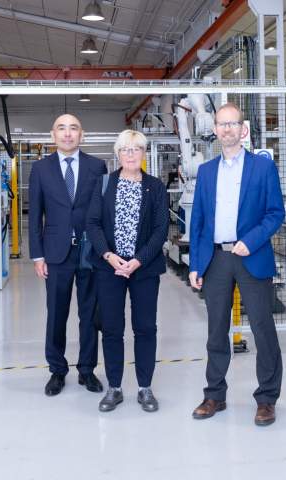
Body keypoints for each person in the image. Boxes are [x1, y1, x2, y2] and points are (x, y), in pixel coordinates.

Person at [187, 103, 285, 427]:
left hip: (251, 256)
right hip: (215, 259)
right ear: (215, 130)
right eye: (221, 124)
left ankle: (267, 398)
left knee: (262, 328)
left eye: (232, 123)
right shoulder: (206, 171)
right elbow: (198, 221)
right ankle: (214, 395)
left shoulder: (263, 167)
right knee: (216, 330)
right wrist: (196, 264)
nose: (227, 129)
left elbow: (275, 213)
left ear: (243, 129)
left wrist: (251, 240)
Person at [85, 130, 169, 413]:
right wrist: (109, 256)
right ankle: (115, 388)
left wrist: (139, 260)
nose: (130, 154)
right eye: (125, 149)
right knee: (111, 328)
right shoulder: (103, 184)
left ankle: (145, 388)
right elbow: (93, 223)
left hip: (144, 269)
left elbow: (160, 229)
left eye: (136, 149)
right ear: (118, 154)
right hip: (109, 269)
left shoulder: (155, 187)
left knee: (145, 328)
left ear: (144, 153)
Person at [28, 113, 108, 396]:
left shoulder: (97, 166)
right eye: (61, 128)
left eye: (73, 128)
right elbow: (34, 215)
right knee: (56, 314)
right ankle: (57, 370)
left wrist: (105, 251)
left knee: (90, 313)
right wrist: (37, 256)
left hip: (90, 252)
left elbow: (103, 212)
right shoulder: (41, 169)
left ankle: (87, 370)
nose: (67, 133)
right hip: (55, 253)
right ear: (53, 135)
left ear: (81, 135)